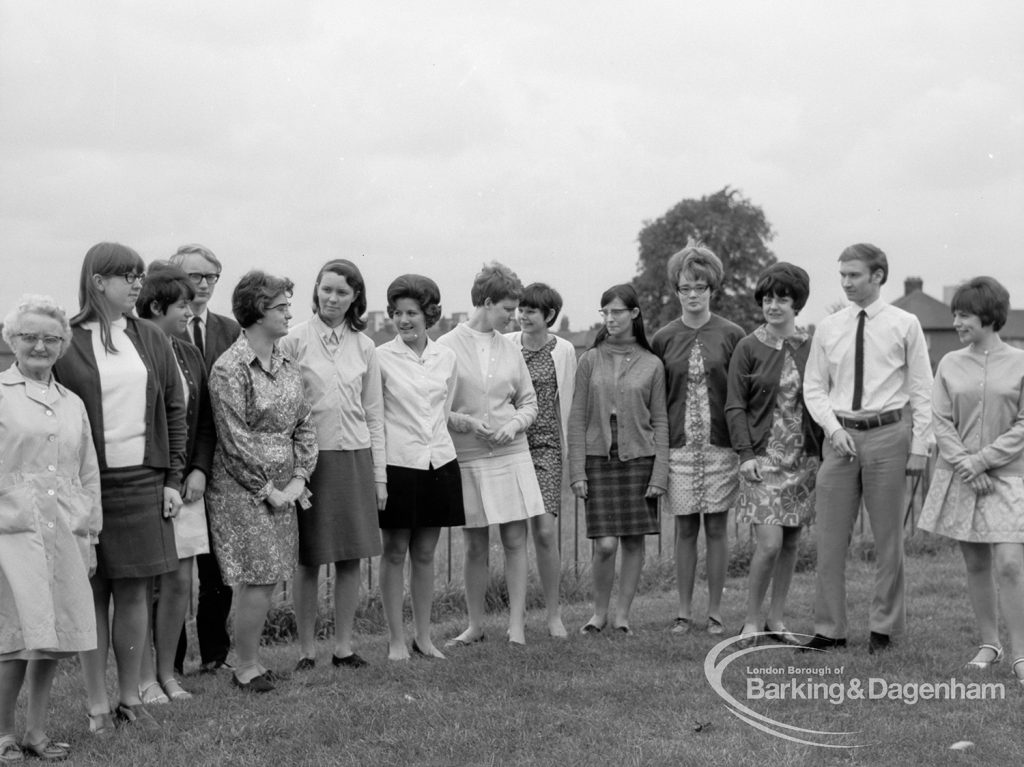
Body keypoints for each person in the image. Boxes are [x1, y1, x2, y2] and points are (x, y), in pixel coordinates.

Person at [53, 242, 187, 731]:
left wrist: (172, 477)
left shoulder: (149, 336)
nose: (137, 283)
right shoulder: (65, 339)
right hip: (86, 488)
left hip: (143, 482)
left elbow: (174, 407)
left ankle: (130, 697)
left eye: (138, 275)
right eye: (125, 275)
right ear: (96, 282)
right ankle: (96, 706)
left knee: (134, 593)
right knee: (91, 595)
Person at [802, 243, 933, 653]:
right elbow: (814, 386)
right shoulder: (828, 327)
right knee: (830, 538)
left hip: (888, 435)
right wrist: (832, 427)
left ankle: (884, 629)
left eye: (854, 275)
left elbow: (922, 389)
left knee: (888, 538)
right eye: (842, 275)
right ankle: (830, 630)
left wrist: (920, 447)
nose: (846, 283)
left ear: (878, 276)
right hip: (840, 439)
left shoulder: (905, 324)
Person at [206, 270, 317, 692]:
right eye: (281, 307)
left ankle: (248, 659)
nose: (289, 313)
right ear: (256, 311)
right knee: (258, 574)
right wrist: (268, 489)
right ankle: (245, 666)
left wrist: (299, 478)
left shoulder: (288, 365)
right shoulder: (229, 368)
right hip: (243, 490)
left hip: (286, 490)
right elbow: (233, 439)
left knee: (267, 575)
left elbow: (304, 424)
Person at [0, 296, 100, 761]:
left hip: (64, 530)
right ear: (11, 341)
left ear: (62, 346)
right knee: (13, 638)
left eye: (50, 338)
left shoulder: (71, 402)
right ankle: (2, 734)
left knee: (54, 637)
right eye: (28, 336)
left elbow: (87, 472)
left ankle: (36, 733)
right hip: (12, 531)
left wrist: (90, 533)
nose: (39, 345)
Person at [917, 277, 1024, 683]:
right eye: (955, 315)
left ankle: (1021, 655)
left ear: (989, 315)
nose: (957, 322)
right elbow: (940, 420)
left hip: (1009, 476)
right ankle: (989, 644)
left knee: (1011, 564)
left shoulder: (1021, 361)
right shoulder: (948, 363)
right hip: (961, 474)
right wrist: (965, 464)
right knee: (976, 562)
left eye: (964, 314)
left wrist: (983, 461)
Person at [280, 260, 385, 670]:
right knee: (309, 557)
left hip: (355, 457)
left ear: (355, 297)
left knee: (349, 556)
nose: (332, 298)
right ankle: (306, 650)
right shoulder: (294, 341)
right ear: (316, 290)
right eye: (326, 289)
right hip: (310, 462)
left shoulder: (365, 346)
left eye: (342, 292)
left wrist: (380, 478)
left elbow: (373, 413)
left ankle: (343, 646)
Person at [437, 262, 544, 646]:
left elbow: (528, 402)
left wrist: (513, 425)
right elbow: (437, 408)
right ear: (485, 302)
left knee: (516, 539)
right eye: (507, 310)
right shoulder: (446, 347)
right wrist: (463, 422)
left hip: (510, 454)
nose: (513, 317)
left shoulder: (510, 346)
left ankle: (516, 625)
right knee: (475, 543)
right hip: (468, 457)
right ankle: (476, 625)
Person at [725, 264, 822, 645]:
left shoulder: (811, 345)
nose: (773, 305)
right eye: (767, 298)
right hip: (762, 460)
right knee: (770, 543)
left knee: (792, 542)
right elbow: (735, 405)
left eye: (782, 298)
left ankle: (776, 620)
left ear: (797, 302)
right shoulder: (748, 346)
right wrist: (745, 453)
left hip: (803, 458)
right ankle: (751, 620)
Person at [650, 241, 744, 636]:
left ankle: (717, 611)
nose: (692, 295)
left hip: (720, 445)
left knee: (718, 528)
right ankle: (684, 612)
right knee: (685, 528)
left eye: (699, 288)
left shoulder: (733, 334)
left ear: (712, 289)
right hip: (679, 446)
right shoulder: (663, 338)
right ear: (676, 291)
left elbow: (742, 394)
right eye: (685, 288)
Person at [134, 266, 216, 703]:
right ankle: (143, 679)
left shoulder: (189, 353)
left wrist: (198, 469)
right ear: (155, 307)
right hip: (144, 483)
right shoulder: (130, 351)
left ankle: (168, 675)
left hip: (186, 486)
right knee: (147, 585)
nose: (191, 309)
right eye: (183, 304)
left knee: (182, 582)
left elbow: (203, 421)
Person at [376, 275, 465, 660]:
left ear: (430, 313)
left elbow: (443, 413)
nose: (404, 320)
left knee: (426, 554)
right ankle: (397, 641)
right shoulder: (379, 358)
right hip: (398, 464)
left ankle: (424, 637)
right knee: (395, 551)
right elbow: (375, 420)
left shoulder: (446, 357)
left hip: (439, 463)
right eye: (397, 313)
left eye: (412, 312)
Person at [570, 284, 668, 634]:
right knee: (607, 544)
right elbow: (577, 417)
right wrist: (577, 470)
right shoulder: (589, 359)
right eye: (605, 312)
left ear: (634, 314)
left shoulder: (652, 363)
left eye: (617, 312)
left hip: (640, 459)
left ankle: (623, 615)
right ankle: (598, 613)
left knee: (633, 540)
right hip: (599, 459)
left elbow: (660, 420)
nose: (610, 319)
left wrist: (660, 474)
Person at [168, 243, 240, 674]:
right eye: (196, 277)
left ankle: (215, 655)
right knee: (173, 573)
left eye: (212, 276)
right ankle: (171, 661)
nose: (205, 285)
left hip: (222, 467)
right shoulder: (159, 329)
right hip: (179, 462)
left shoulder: (230, 330)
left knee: (218, 568)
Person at [507, 282, 577, 638]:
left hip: (547, 447)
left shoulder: (563, 350)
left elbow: (570, 403)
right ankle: (515, 621)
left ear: (549, 315)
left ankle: (554, 615)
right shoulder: (506, 345)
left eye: (531, 310)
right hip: (511, 447)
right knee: (514, 535)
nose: (523, 315)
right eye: (521, 309)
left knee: (545, 531)